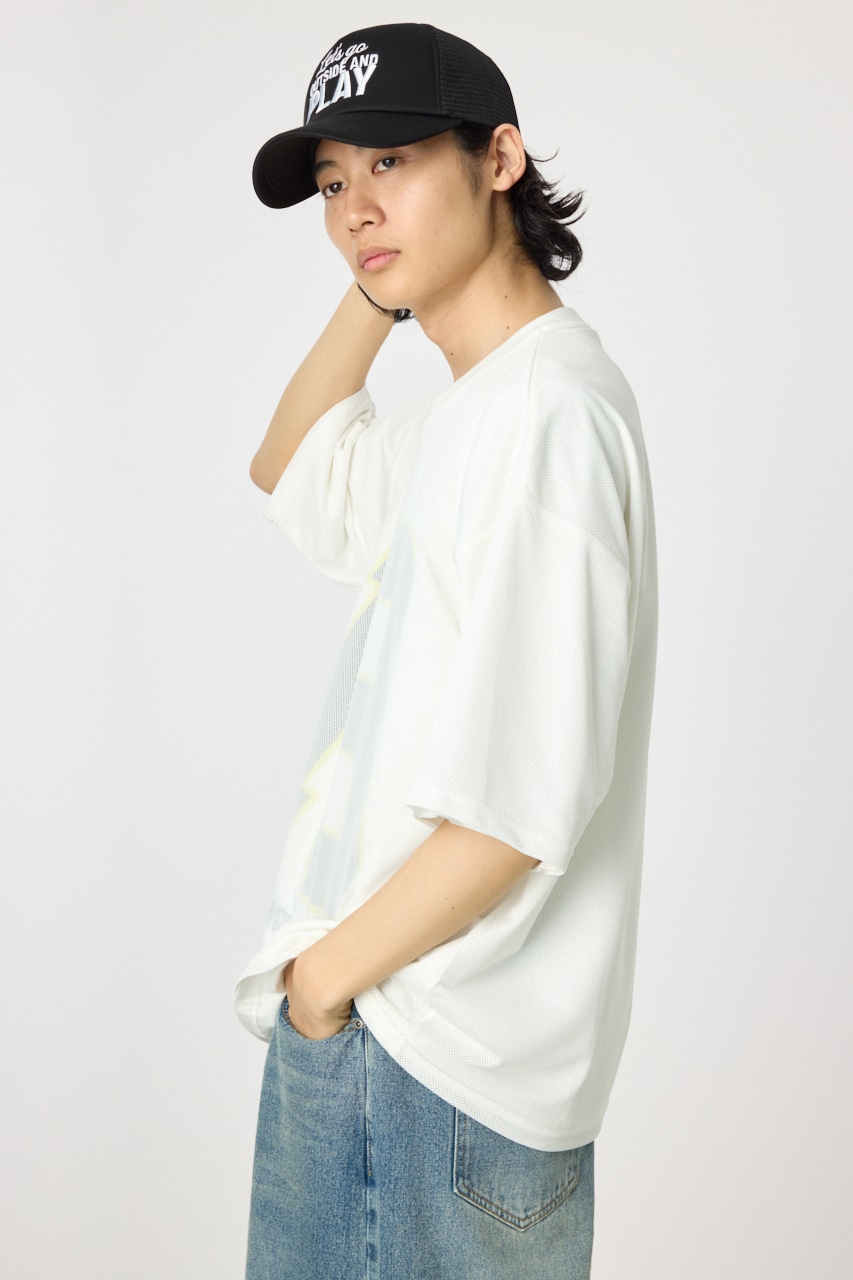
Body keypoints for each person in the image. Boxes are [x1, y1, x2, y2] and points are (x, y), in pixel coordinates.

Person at [235, 21, 657, 1280]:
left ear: (499, 159)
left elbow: (517, 809)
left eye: (392, 162)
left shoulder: (547, 416)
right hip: (390, 1035)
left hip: (425, 1053)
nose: (355, 209)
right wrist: (381, 278)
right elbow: (290, 467)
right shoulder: (475, 412)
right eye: (331, 184)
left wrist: (327, 980)